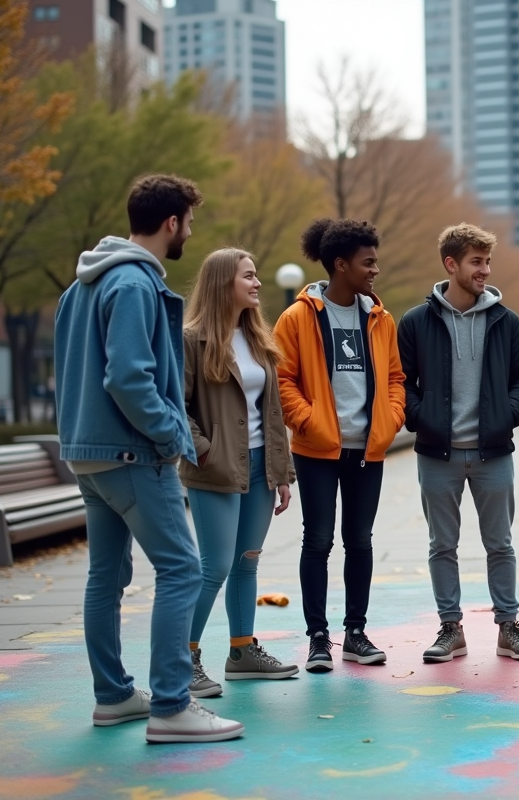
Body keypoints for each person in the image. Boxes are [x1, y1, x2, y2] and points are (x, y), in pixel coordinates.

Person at [54, 174, 243, 743]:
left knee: (105, 576)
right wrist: (172, 438)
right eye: (189, 221)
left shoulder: (81, 286)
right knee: (183, 568)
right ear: (172, 223)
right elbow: (129, 378)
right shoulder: (134, 284)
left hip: (89, 452)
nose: (190, 230)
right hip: (131, 451)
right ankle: (171, 706)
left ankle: (112, 696)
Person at [398, 223, 519, 663]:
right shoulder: (416, 322)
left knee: (500, 543)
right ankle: (450, 628)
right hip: (437, 454)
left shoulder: (505, 320)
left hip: (492, 452)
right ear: (451, 264)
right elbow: (400, 383)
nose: (485, 270)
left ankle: (508, 627)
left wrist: (504, 418)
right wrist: (424, 419)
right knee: (442, 544)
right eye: (476, 262)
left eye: (487, 261)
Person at [273, 218, 406, 672]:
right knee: (318, 539)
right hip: (317, 449)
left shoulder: (379, 318)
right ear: (340, 264)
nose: (374, 270)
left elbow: (394, 378)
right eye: (367, 262)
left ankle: (356, 633)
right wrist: (309, 422)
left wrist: (390, 421)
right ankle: (317, 638)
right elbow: (283, 378)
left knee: (360, 541)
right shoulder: (297, 316)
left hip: (367, 448)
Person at [181, 248, 298, 697]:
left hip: (259, 466)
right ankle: (183, 659)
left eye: (257, 276)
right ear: (222, 282)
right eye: (248, 276)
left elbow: (271, 413)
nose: (257, 284)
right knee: (214, 567)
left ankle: (242, 652)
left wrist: (281, 472)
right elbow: (176, 405)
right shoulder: (192, 339)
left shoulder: (257, 338)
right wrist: (203, 450)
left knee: (246, 563)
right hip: (215, 467)